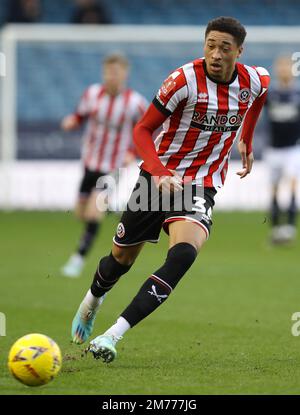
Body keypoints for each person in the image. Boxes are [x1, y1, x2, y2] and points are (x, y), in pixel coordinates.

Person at [71, 16, 270, 363]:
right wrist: (160, 171)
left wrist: (246, 141)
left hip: (201, 183)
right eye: (210, 45)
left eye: (225, 47)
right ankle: (92, 302)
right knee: (121, 260)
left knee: (183, 255)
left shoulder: (256, 80)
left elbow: (257, 100)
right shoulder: (183, 80)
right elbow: (142, 130)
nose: (216, 53)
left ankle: (112, 335)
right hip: (156, 178)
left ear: (239, 51)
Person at [61, 53, 148, 278]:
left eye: (117, 72)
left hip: (113, 166)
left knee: (92, 213)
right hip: (89, 162)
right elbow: (80, 115)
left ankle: (77, 259)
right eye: (109, 72)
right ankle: (111, 207)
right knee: (80, 212)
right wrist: (72, 121)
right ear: (104, 73)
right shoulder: (91, 94)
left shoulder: (135, 102)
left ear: (125, 74)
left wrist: (133, 152)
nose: (112, 77)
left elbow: (148, 130)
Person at [264, 56, 300, 244]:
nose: (284, 70)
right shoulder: (271, 94)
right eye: (281, 67)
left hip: (293, 148)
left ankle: (290, 227)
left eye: (287, 66)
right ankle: (276, 229)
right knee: (274, 189)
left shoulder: (298, 94)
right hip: (273, 149)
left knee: (293, 184)